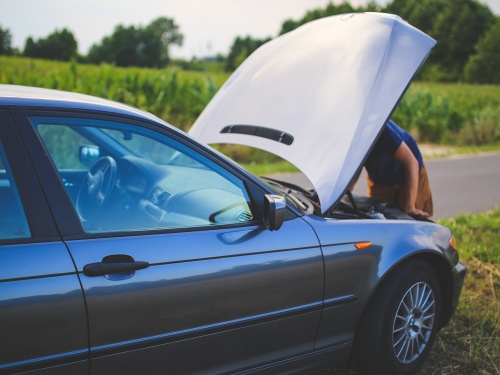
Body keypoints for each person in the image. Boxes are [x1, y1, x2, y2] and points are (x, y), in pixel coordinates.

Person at [364, 120, 433, 218]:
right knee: (379, 219)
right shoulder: (346, 137)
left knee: (413, 219)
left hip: (409, 171)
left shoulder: (378, 128)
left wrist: (410, 207)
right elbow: (353, 168)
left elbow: (411, 163)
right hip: (379, 178)